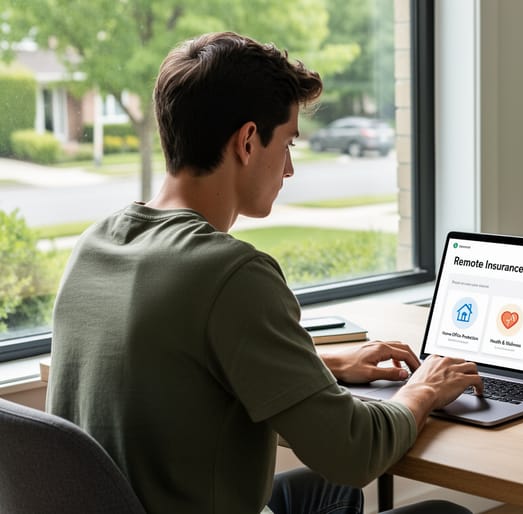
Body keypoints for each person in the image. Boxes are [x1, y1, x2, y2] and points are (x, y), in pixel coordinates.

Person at [47, 31, 483, 514]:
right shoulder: (231, 273)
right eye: (288, 142)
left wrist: (325, 368)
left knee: (327, 492)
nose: (290, 168)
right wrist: (422, 389)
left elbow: (173, 362)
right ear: (248, 141)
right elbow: (355, 453)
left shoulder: (96, 244)